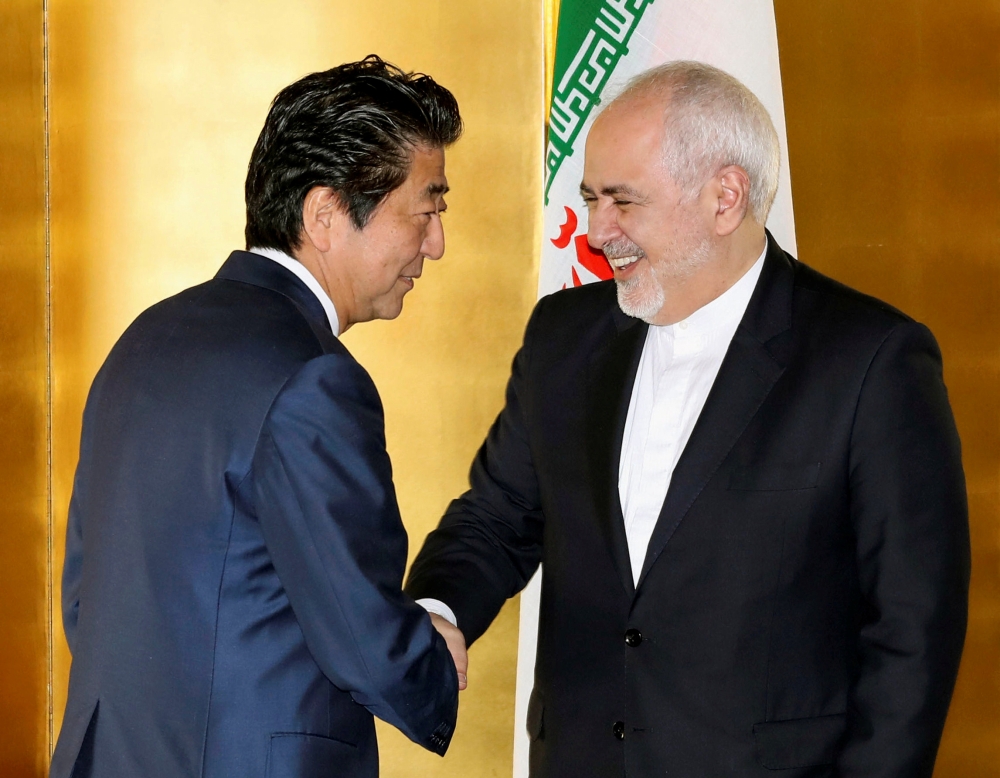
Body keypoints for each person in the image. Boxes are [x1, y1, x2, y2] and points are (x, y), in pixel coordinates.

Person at [406, 61, 970, 777]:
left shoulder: (870, 360)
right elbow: (497, 517)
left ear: (725, 197)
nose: (594, 230)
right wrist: (437, 609)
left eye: (622, 201)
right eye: (588, 198)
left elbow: (913, 630)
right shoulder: (562, 335)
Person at [51, 56, 467, 778]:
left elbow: (88, 602)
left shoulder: (142, 341)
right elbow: (364, 639)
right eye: (425, 209)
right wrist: (433, 648)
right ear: (325, 215)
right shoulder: (314, 378)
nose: (436, 243)